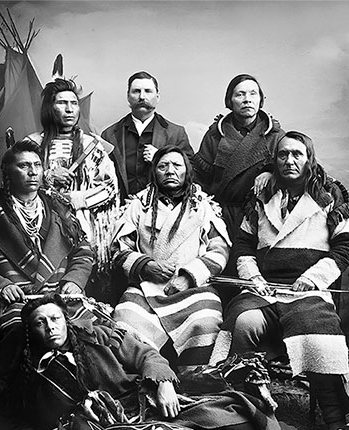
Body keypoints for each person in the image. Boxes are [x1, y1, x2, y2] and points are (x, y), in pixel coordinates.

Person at [13, 293, 349, 430]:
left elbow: (147, 355)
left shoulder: (99, 338)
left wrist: (163, 383)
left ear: (66, 319)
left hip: (148, 401)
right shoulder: (37, 376)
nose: (50, 327)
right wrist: (76, 417)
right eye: (40, 323)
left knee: (222, 413)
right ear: (32, 332)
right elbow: (39, 420)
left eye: (54, 318)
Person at [222, 130, 349, 430]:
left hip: (308, 290)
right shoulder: (261, 196)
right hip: (263, 288)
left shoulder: (329, 195)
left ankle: (335, 419)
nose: (289, 160)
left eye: (297, 154)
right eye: (283, 154)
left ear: (309, 158)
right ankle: (245, 407)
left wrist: (312, 278)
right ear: (275, 160)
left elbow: (345, 247)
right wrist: (253, 277)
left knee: (317, 333)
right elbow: (244, 244)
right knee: (243, 322)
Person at [0, 140, 94, 382]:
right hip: (18, 299)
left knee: (90, 328)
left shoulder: (58, 207)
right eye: (24, 166)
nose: (33, 172)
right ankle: (24, 395)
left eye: (37, 165)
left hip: (60, 293)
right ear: (8, 172)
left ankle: (84, 389)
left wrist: (75, 280)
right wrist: (1, 286)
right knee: (17, 331)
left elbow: (83, 251)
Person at [111, 145, 232, 368]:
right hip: (146, 287)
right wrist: (145, 266)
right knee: (125, 321)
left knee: (206, 321)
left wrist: (189, 276)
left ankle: (193, 379)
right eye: (163, 166)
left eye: (177, 165)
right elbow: (119, 249)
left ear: (187, 171)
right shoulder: (139, 204)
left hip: (194, 288)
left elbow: (219, 249)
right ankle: (147, 378)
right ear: (154, 171)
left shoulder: (202, 205)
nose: (170, 171)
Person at [26, 78, 119, 281]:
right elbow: (15, 184)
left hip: (83, 227)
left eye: (74, 103)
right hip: (41, 226)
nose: (69, 109)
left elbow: (110, 188)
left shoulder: (92, 146)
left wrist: (74, 198)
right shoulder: (32, 145)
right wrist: (47, 176)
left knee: (80, 278)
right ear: (49, 108)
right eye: (62, 103)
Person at [193, 73, 284, 240]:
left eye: (253, 94)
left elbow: (293, 171)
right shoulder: (215, 135)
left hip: (260, 218)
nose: (247, 99)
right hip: (219, 215)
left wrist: (271, 171)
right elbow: (199, 178)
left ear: (260, 100)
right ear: (230, 101)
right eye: (240, 94)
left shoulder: (275, 135)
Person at [102, 71, 194, 202]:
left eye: (148, 91)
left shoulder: (176, 133)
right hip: (119, 207)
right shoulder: (109, 135)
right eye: (136, 91)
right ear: (128, 96)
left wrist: (161, 158)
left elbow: (191, 171)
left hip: (163, 208)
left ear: (157, 97)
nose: (142, 96)